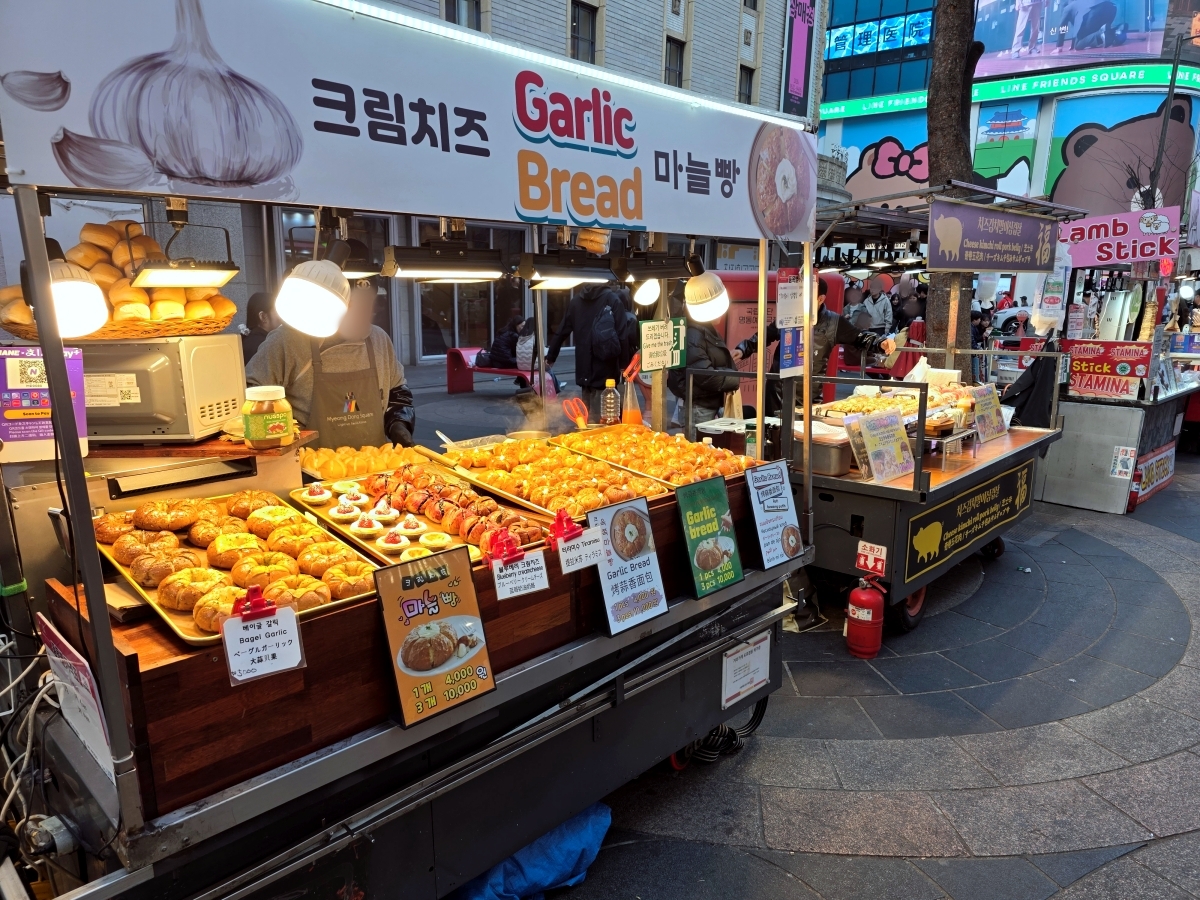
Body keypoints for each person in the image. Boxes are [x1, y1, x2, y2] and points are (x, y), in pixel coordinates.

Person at [246, 278, 415, 448]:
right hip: (309, 469)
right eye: (351, 305)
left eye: (368, 303)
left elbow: (398, 392)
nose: (362, 314)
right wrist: (281, 436)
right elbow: (252, 397)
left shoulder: (379, 340)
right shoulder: (288, 340)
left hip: (375, 467)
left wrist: (399, 423)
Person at [732, 277, 896, 411]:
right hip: (777, 389)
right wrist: (744, 348)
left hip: (809, 392)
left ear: (820, 299)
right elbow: (767, 334)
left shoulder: (834, 322)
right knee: (773, 434)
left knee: (803, 437)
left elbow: (859, 336)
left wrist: (881, 341)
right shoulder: (790, 315)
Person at [545, 281, 635, 417]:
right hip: (606, 363)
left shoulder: (575, 301)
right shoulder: (612, 299)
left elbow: (562, 330)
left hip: (583, 363)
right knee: (608, 411)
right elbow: (622, 335)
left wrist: (551, 356)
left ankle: (588, 432)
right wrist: (624, 365)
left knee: (586, 411)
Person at [668, 309, 742, 425]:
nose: (721, 312)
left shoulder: (706, 331)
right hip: (699, 407)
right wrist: (733, 377)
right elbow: (704, 375)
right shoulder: (694, 335)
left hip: (707, 403)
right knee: (698, 442)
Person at [241, 291, 281, 363]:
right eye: (278, 310)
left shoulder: (248, 340)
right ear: (263, 316)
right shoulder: (264, 345)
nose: (281, 316)